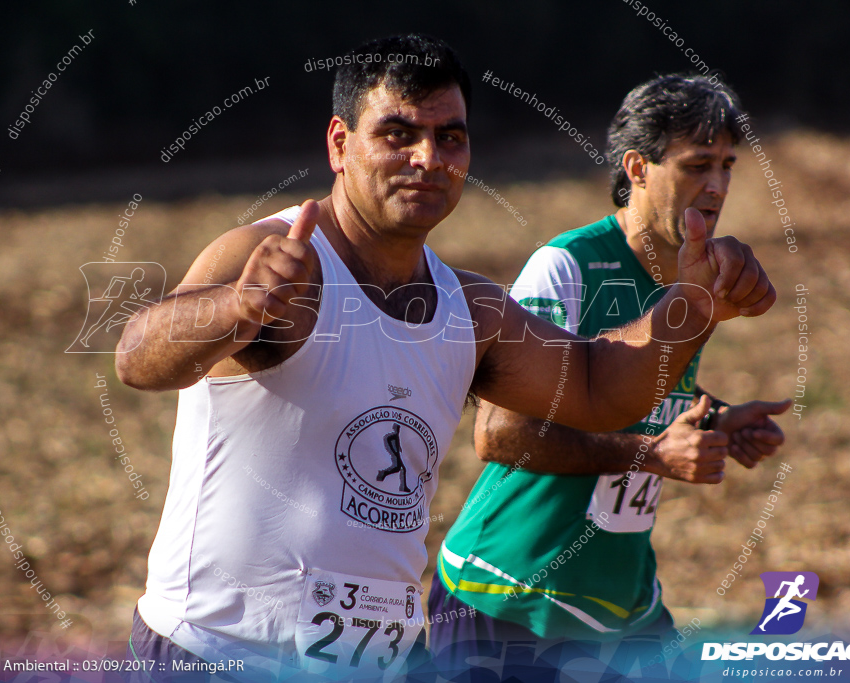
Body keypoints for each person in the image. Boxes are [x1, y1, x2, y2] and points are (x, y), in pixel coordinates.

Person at [114, 36, 775, 681]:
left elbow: (604, 390)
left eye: (450, 137)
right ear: (340, 145)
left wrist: (691, 304)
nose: (428, 156)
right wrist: (238, 305)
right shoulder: (271, 258)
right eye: (398, 133)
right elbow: (137, 357)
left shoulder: (470, 309)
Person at [429, 74, 791, 673]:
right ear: (637, 167)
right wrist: (652, 455)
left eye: (727, 165)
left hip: (620, 597)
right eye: (698, 164)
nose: (718, 186)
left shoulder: (689, 273)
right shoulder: (567, 266)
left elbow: (637, 390)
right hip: (511, 593)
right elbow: (501, 435)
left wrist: (717, 419)